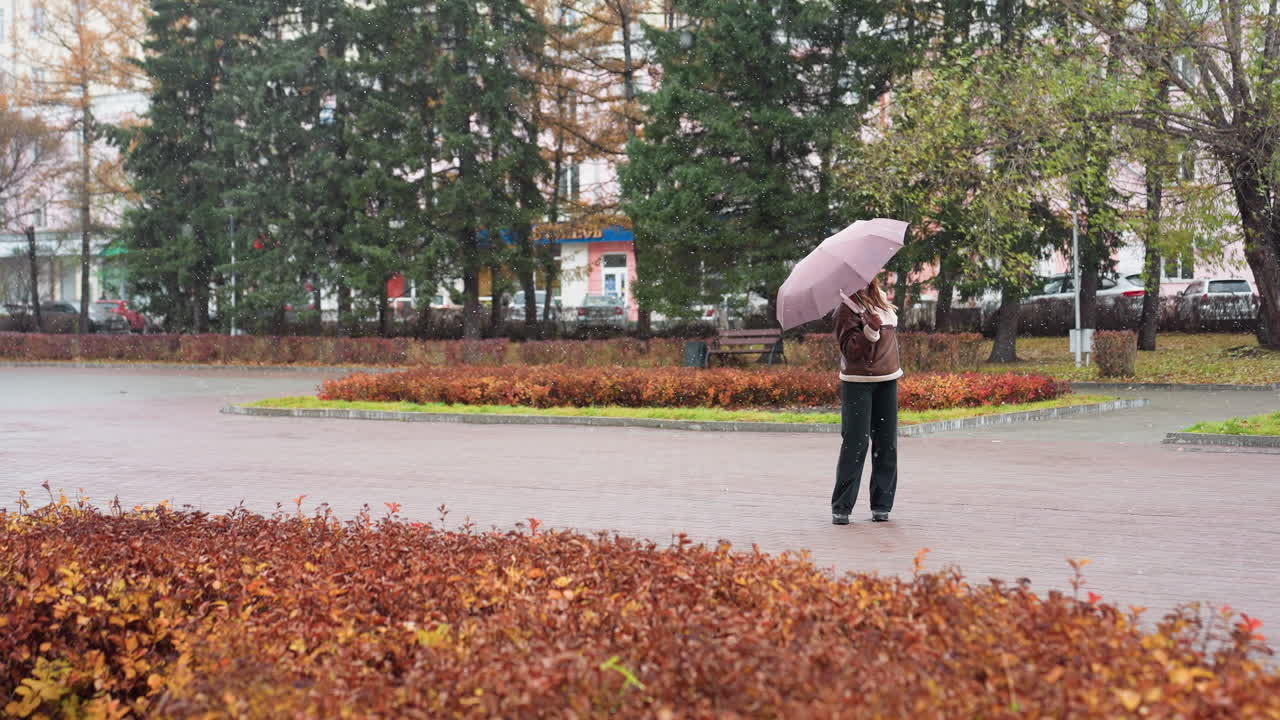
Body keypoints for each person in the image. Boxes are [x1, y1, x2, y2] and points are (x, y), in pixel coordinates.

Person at [830, 277, 900, 525]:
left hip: (888, 378)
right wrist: (869, 331)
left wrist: (877, 325)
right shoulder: (844, 308)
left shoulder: (880, 299)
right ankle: (842, 507)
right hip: (858, 383)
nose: (862, 280)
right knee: (855, 443)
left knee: (887, 444)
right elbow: (849, 351)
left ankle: (882, 505)